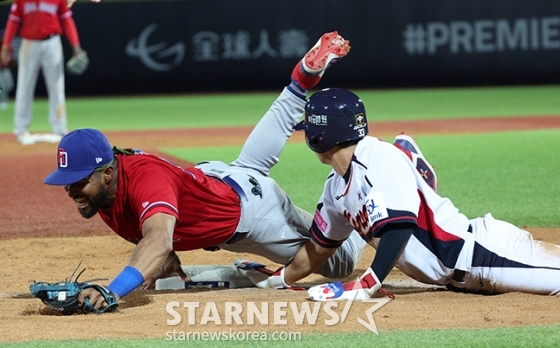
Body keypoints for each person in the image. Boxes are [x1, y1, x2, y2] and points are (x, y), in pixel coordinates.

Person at [43, 31, 368, 310]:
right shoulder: (107, 185)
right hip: (219, 180)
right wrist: (169, 265)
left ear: (107, 173)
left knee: (340, 261)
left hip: (253, 214)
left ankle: (360, 201)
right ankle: (302, 79)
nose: (72, 191)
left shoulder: (142, 179)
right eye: (68, 182)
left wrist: (112, 291)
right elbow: (153, 228)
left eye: (79, 181)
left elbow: (157, 239)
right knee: (252, 165)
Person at [255, 87, 560, 299]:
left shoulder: (379, 157)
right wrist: (278, 279)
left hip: (483, 253)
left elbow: (400, 227)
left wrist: (369, 282)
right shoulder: (335, 188)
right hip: (466, 274)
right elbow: (318, 250)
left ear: (319, 136)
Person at [0, 0, 88, 145]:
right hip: (29, 43)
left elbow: (67, 20)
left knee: (57, 86)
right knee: (24, 86)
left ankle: (60, 127)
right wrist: (5, 46)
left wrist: (76, 46)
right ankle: (20, 128)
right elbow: (13, 21)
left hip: (52, 42)